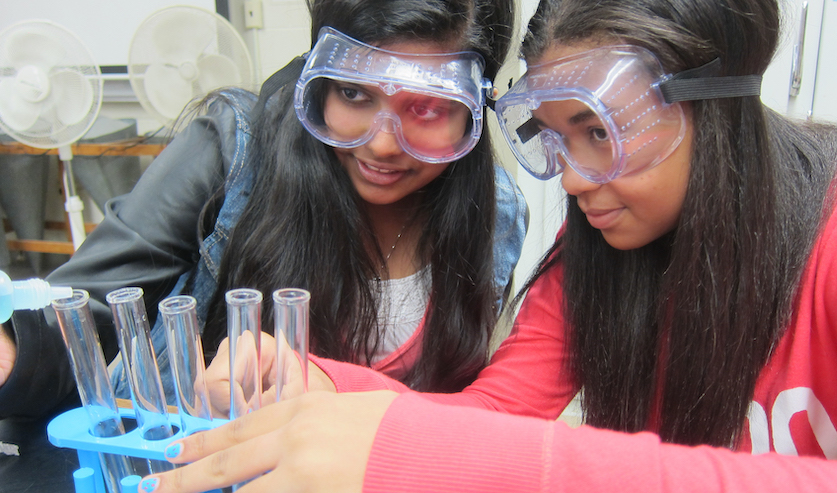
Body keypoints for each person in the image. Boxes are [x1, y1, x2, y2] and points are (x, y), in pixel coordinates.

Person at [138, 0, 837, 493]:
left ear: (716, 104)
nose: (571, 178)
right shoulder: (600, 259)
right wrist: (324, 389)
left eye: (599, 133)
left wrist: (536, 487)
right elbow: (496, 416)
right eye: (557, 138)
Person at [0, 0, 527, 419]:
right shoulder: (234, 151)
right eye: (352, 93)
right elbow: (81, 318)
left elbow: (458, 412)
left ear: (476, 104)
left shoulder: (495, 214)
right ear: (317, 75)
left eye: (429, 107)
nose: (383, 145)